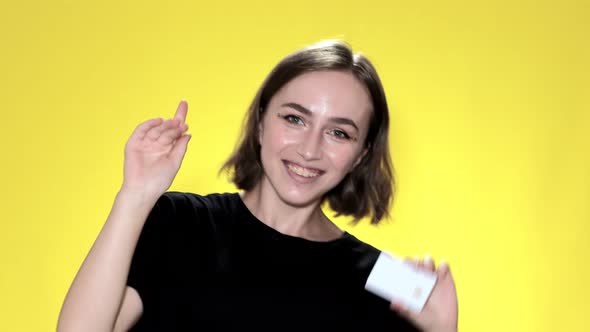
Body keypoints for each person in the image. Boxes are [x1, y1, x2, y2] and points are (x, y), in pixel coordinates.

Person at [57, 40, 458, 332]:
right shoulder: (179, 224)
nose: (309, 149)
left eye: (338, 132)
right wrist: (135, 196)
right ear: (262, 120)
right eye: (295, 119)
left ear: (361, 154)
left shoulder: (385, 280)